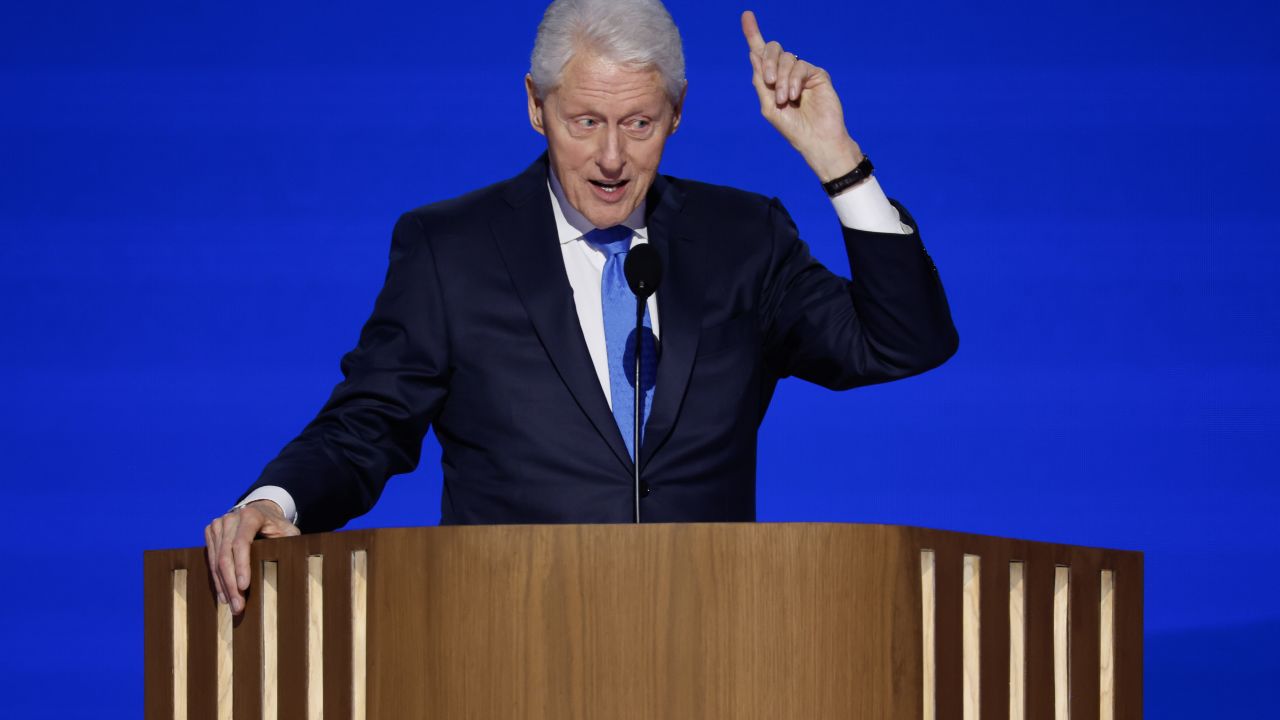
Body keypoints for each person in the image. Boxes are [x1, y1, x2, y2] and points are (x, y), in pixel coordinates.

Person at [206, 0, 959, 615]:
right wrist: (280, 501)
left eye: (638, 123)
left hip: (716, 652)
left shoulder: (741, 240)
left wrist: (837, 160)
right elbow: (367, 424)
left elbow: (902, 341)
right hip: (504, 651)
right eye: (585, 122)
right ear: (536, 107)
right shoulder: (451, 250)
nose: (610, 158)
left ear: (677, 115)